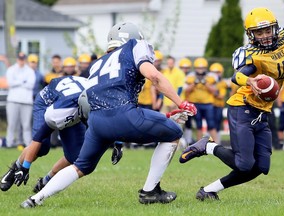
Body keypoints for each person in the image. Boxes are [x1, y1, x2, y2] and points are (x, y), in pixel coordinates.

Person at [20, 22, 197, 208]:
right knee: (174, 133)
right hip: (124, 114)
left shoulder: (97, 64)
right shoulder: (134, 46)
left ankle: (35, 199)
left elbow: (87, 100)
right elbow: (154, 76)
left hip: (96, 122)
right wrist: (180, 102)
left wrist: (163, 118)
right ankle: (150, 191)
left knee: (80, 166)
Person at [179, 7, 284, 201]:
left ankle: (208, 190)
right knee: (244, 164)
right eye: (259, 32)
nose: (264, 36)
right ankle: (208, 146)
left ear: (275, 28)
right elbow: (237, 76)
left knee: (262, 167)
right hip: (242, 108)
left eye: (267, 30)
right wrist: (250, 81)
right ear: (251, 35)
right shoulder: (253, 54)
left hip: (263, 112)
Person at [0, 76, 87, 192]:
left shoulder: (95, 94)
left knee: (75, 156)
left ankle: (46, 181)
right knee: (42, 147)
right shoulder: (61, 113)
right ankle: (16, 167)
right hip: (48, 104)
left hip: (72, 103)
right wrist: (25, 167)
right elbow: (38, 138)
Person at [5, 52, 36, 148]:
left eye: (23, 59)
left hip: (26, 101)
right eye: (20, 59)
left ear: (25, 59)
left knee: (26, 125)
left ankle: (28, 144)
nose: (21, 61)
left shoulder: (30, 71)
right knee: (12, 124)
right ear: (17, 59)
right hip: (13, 100)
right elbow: (10, 83)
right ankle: (9, 143)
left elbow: (30, 85)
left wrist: (17, 82)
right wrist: (22, 81)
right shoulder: (11, 69)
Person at [184, 57, 218, 141]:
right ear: (195, 68)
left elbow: (214, 90)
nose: (200, 70)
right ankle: (199, 145)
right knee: (198, 125)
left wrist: (205, 83)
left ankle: (216, 144)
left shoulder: (211, 77)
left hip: (207, 103)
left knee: (211, 124)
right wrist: (194, 83)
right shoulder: (190, 77)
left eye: (202, 68)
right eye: (198, 68)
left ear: (205, 68)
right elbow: (186, 90)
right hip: (195, 103)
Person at [210, 62, 228, 144]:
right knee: (210, 124)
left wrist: (212, 92)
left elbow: (221, 95)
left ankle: (217, 142)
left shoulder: (222, 83)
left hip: (218, 106)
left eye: (217, 72)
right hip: (210, 105)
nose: (216, 75)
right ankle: (209, 141)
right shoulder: (209, 82)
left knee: (217, 124)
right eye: (214, 73)